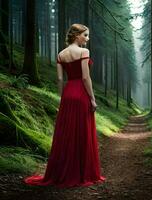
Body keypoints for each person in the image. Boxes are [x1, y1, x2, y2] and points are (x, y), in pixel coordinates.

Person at [23, 23, 106, 188]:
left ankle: (62, 172)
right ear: (76, 35)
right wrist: (92, 98)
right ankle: (82, 173)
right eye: (85, 35)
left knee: (67, 133)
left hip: (68, 94)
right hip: (81, 94)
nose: (87, 39)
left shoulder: (60, 54)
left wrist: (62, 99)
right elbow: (85, 78)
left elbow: (60, 79)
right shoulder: (83, 52)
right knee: (82, 132)